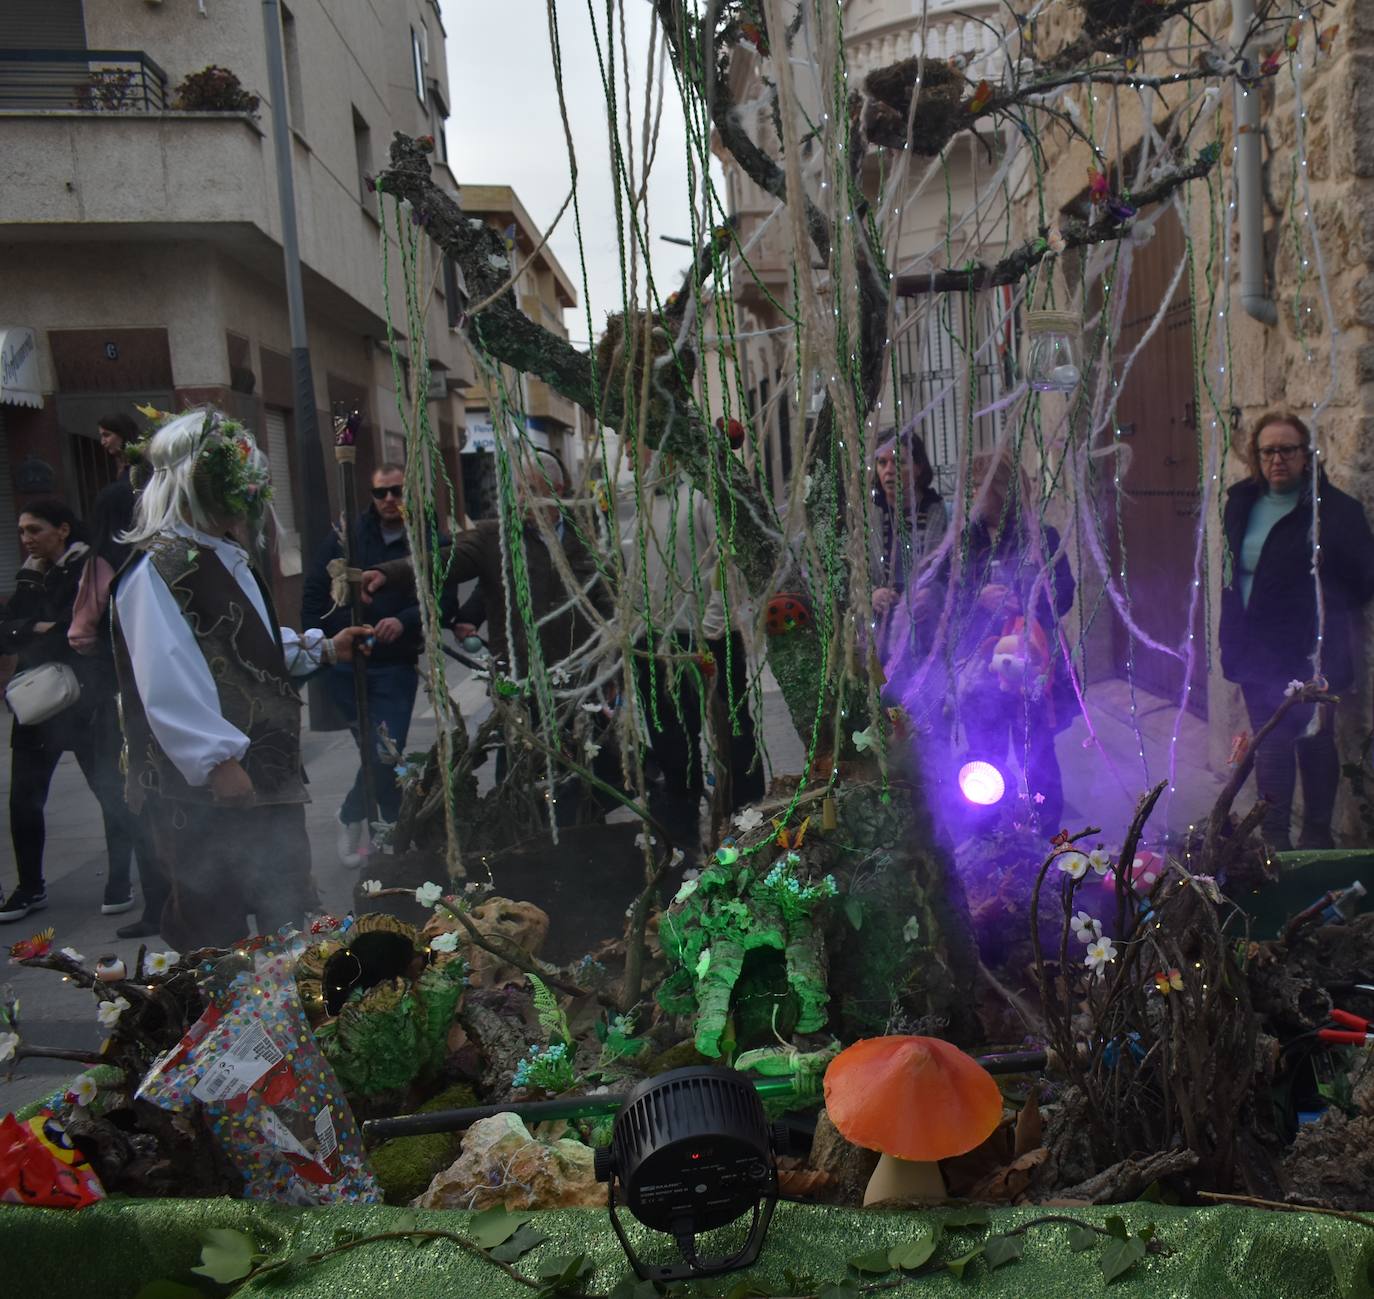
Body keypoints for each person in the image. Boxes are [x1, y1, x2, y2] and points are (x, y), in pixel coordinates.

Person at [110, 408, 373, 949]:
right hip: (208, 790)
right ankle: (230, 1027)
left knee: (282, 903)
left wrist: (320, 648)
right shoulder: (158, 568)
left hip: (265, 773)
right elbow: (166, 676)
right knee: (215, 923)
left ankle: (284, 1018)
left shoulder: (221, 555)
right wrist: (217, 760)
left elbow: (243, 642)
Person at [360, 448, 615, 825]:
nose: (521, 497)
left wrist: (612, 668)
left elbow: (610, 603)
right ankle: (516, 837)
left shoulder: (589, 537)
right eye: (517, 488)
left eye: (530, 487)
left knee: (581, 769)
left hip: (578, 682)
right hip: (519, 679)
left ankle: (583, 839)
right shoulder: (497, 538)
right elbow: (447, 559)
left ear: (557, 489)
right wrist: (389, 573)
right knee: (517, 766)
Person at [1220, 411, 1374, 850]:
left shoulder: (1336, 512)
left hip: (1311, 651)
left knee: (1315, 742)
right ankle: (1275, 846)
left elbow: (1365, 577)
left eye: (1288, 450)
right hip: (1254, 650)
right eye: (1268, 451)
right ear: (1257, 456)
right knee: (1270, 745)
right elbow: (1233, 575)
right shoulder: (1242, 502)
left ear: (1306, 456)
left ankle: (1317, 837)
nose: (1278, 460)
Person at [0, 499, 143, 922]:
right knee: (23, 799)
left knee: (110, 792)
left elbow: (82, 631)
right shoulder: (29, 576)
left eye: (35, 530)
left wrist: (37, 631)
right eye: (23, 532)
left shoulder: (90, 569)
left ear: (62, 530)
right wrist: (35, 629)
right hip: (36, 701)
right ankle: (30, 887)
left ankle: (119, 880)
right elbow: (7, 632)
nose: (27, 540)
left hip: (87, 701)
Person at [622, 446, 765, 852]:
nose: (631, 462)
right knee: (671, 743)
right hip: (655, 643)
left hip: (707, 638)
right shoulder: (645, 500)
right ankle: (681, 839)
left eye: (635, 451)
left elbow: (727, 560)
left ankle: (747, 825)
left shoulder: (701, 494)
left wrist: (714, 625)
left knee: (734, 735)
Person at [302, 463, 438, 865]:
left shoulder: (425, 537)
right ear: (371, 496)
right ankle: (393, 831)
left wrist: (406, 620)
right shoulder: (347, 538)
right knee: (376, 753)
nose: (390, 500)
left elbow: (441, 594)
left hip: (395, 665)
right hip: (348, 665)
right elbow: (313, 599)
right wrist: (329, 641)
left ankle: (352, 815)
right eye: (381, 493)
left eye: (396, 491)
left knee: (386, 751)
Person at [956, 449, 1075, 832]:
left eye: (981, 486)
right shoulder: (964, 543)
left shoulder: (1041, 536)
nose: (973, 494)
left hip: (1031, 667)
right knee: (985, 757)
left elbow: (1065, 594)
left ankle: (1047, 833)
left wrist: (1029, 598)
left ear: (1003, 490)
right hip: (981, 671)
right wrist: (979, 599)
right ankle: (991, 831)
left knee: (1037, 755)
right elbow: (950, 603)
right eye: (972, 486)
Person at [871, 431, 948, 663]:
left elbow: (943, 570)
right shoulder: (870, 515)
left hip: (923, 624)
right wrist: (872, 593)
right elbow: (856, 570)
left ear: (917, 468)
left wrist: (925, 592)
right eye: (882, 462)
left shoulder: (934, 511)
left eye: (899, 462)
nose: (889, 470)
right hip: (878, 626)